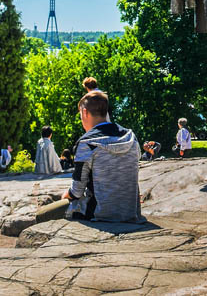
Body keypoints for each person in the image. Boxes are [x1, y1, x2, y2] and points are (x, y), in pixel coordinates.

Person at [36, 90, 141, 223]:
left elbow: (76, 191)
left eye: (80, 115)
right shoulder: (131, 137)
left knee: (43, 215)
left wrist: (65, 195)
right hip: (130, 213)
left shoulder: (86, 143)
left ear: (84, 112)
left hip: (99, 214)